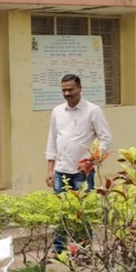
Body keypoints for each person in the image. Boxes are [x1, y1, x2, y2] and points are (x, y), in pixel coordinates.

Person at [45, 73, 112, 253]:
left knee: (82, 213)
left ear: (80, 88)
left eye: (70, 89)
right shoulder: (57, 111)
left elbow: (106, 139)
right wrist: (50, 169)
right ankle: (59, 250)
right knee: (61, 213)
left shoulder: (93, 110)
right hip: (60, 171)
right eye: (64, 90)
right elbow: (52, 140)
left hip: (83, 173)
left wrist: (90, 161)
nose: (67, 93)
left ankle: (83, 249)